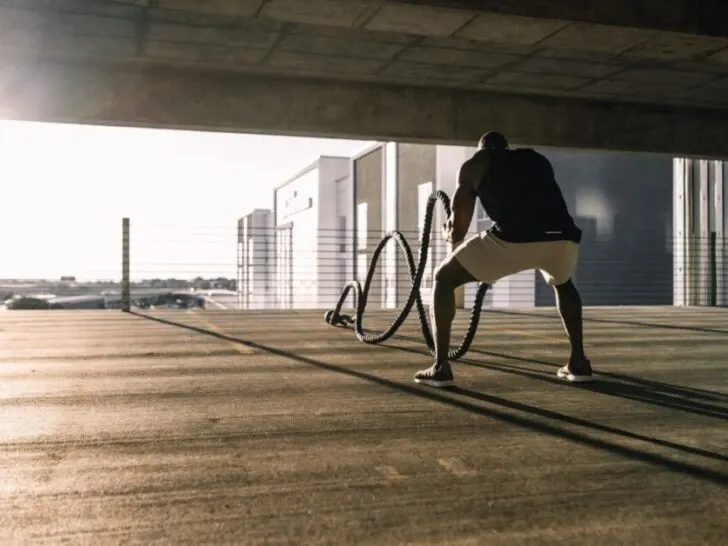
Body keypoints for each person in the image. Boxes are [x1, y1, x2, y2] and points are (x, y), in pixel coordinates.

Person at [414, 131, 592, 388]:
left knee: (444, 278)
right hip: (562, 238)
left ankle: (441, 367)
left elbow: (459, 231)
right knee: (564, 284)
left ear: (482, 148)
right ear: (507, 148)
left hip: (514, 240)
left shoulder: (475, 165)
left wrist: (447, 230)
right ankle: (578, 362)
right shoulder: (535, 158)